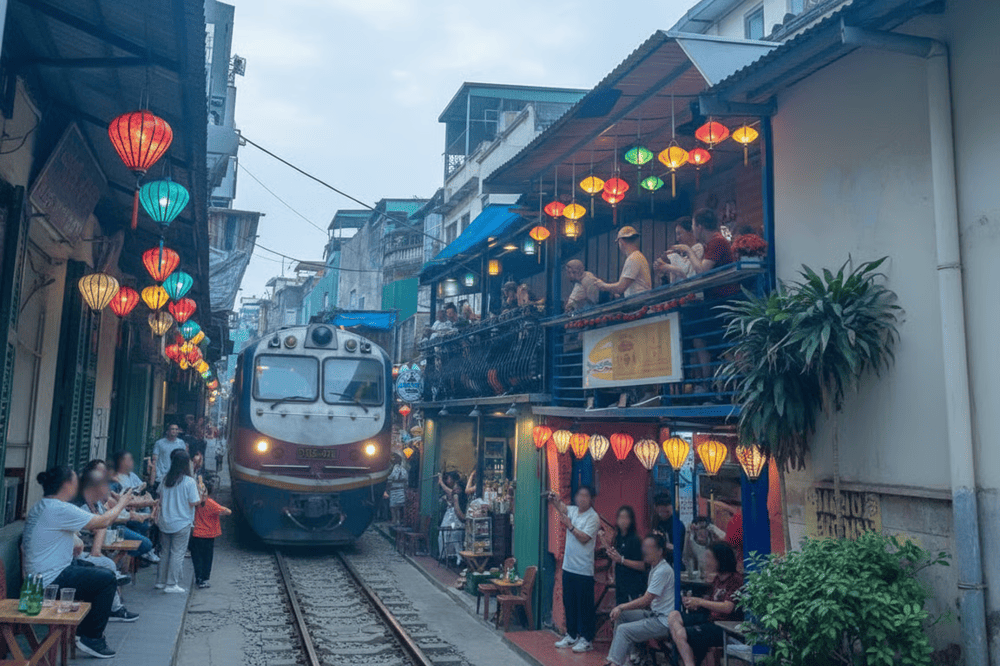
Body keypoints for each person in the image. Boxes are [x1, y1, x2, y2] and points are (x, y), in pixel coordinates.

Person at [23, 466, 136, 658]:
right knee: (106, 580)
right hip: (49, 583)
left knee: (97, 569)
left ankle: (83, 631)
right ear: (67, 485)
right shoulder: (59, 508)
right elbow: (102, 521)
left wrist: (75, 541)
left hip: (40, 578)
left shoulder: (43, 506)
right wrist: (122, 503)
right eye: (75, 481)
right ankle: (91, 638)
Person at [604, 533, 676, 666]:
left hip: (663, 621)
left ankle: (614, 663)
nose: (644, 551)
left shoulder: (663, 571)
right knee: (622, 616)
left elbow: (646, 600)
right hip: (653, 614)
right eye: (644, 547)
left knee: (623, 630)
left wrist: (621, 606)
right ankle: (623, 658)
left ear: (660, 551)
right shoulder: (654, 567)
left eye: (649, 547)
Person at [667, 543, 743, 666]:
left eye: (709, 558)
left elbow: (728, 607)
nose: (705, 561)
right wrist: (696, 603)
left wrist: (700, 602)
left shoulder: (735, 580)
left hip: (723, 625)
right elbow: (712, 602)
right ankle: (690, 656)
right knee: (673, 616)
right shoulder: (718, 579)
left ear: (720, 559)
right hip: (710, 618)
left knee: (681, 634)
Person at [548, 486, 600, 653]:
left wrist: (570, 526)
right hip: (568, 567)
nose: (582, 498)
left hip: (583, 569)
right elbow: (562, 507)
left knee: (584, 605)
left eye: (586, 496)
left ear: (591, 499)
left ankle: (586, 639)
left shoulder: (593, 517)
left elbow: (584, 538)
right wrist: (554, 499)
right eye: (579, 495)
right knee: (569, 603)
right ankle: (571, 635)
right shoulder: (572, 510)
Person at [156, 449, 201, 593]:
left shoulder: (165, 479)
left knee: (164, 552)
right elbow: (194, 502)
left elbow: (160, 498)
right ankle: (171, 584)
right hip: (181, 522)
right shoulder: (189, 481)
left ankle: (160, 581)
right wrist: (200, 495)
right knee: (177, 553)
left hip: (165, 521)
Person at [670, 208, 739, 300]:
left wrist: (688, 250)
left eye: (693, 225)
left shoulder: (717, 242)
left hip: (724, 298)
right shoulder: (710, 243)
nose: (692, 229)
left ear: (699, 227)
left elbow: (702, 271)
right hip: (716, 297)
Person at [190, 478, 231, 589]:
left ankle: (198, 578)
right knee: (207, 558)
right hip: (209, 535)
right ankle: (205, 579)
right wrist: (221, 510)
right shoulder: (211, 503)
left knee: (197, 558)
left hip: (196, 534)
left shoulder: (195, 502)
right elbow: (228, 511)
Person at [603, 506, 646, 605]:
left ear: (631, 520)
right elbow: (613, 555)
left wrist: (622, 560)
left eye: (626, 517)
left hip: (634, 586)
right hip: (620, 585)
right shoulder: (617, 538)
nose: (623, 521)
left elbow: (643, 565)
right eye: (621, 517)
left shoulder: (635, 540)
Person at [595, 226, 651, 298]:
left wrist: (603, 285)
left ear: (621, 241)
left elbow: (621, 287)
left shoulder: (633, 258)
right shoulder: (638, 256)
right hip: (640, 299)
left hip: (638, 301)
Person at [654, 216, 705, 284]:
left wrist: (668, 267)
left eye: (679, 234)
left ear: (690, 232)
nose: (677, 239)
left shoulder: (699, 249)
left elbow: (691, 277)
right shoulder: (681, 254)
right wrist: (662, 271)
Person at [436, 471, 465, 565]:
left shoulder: (458, 493)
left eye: (448, 478)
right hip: (450, 515)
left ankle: (458, 557)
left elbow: (451, 493)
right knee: (443, 534)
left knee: (455, 535)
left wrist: (441, 482)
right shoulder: (452, 492)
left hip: (456, 518)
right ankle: (446, 555)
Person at [650, 494, 685, 563]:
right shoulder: (655, 522)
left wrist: (663, 545)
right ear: (656, 508)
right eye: (662, 512)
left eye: (667, 512)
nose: (665, 514)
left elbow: (679, 549)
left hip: (674, 562)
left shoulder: (677, 525)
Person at [387, 454, 407, 525]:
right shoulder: (403, 470)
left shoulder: (392, 470)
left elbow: (389, 479)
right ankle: (398, 520)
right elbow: (406, 480)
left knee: (392, 507)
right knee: (398, 507)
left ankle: (394, 520)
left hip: (393, 489)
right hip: (401, 489)